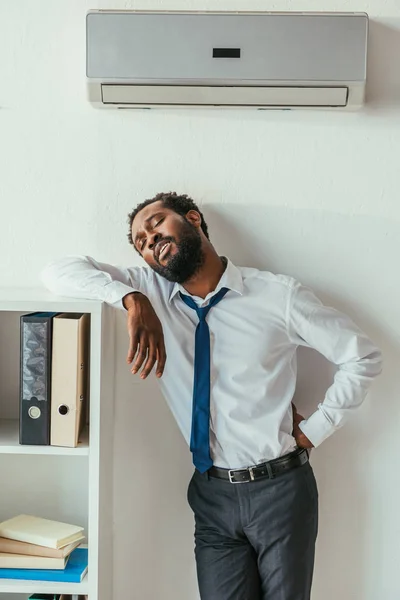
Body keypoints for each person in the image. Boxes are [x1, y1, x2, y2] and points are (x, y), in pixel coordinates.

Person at [41, 191, 382, 600]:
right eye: (141, 244)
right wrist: (130, 299)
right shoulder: (150, 292)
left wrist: (316, 429)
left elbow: (362, 356)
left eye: (156, 225)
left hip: (280, 487)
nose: (150, 242)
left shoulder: (277, 295)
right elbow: (58, 272)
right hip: (211, 494)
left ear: (193, 219)